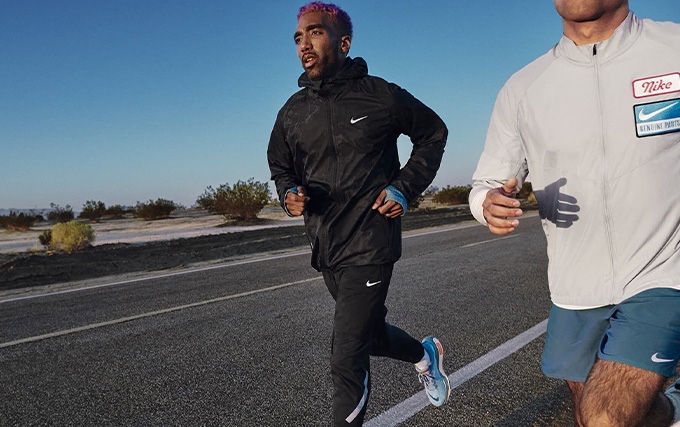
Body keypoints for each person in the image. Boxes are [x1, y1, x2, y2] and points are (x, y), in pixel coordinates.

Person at [469, 0, 680, 425]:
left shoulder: (672, 49)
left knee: (606, 418)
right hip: (574, 289)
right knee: (596, 416)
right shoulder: (524, 87)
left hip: (665, 273)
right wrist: (488, 204)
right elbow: (486, 182)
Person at [267, 2, 450, 425]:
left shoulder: (381, 95)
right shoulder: (293, 112)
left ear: (343, 42)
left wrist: (404, 187)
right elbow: (281, 166)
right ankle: (425, 355)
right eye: (298, 37)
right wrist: (288, 193)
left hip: (372, 239)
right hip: (325, 243)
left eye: (314, 33)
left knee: (345, 357)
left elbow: (433, 133)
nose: (303, 44)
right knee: (368, 336)